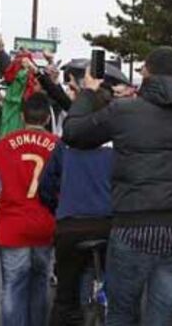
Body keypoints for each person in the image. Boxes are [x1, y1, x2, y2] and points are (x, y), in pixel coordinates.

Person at [62, 46, 172, 326]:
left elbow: (74, 133)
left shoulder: (124, 111)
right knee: (162, 316)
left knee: (121, 313)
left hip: (133, 223)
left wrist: (89, 91)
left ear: (148, 72)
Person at [0, 93, 58, 326]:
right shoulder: (58, 146)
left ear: (21, 116)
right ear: (47, 119)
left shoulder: (6, 143)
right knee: (40, 283)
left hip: (12, 226)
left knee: (13, 285)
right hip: (45, 225)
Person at [39, 87, 116, 326]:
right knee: (119, 291)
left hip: (71, 225)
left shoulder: (66, 144)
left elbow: (46, 185)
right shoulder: (118, 144)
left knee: (65, 297)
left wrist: (58, 207)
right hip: (108, 224)